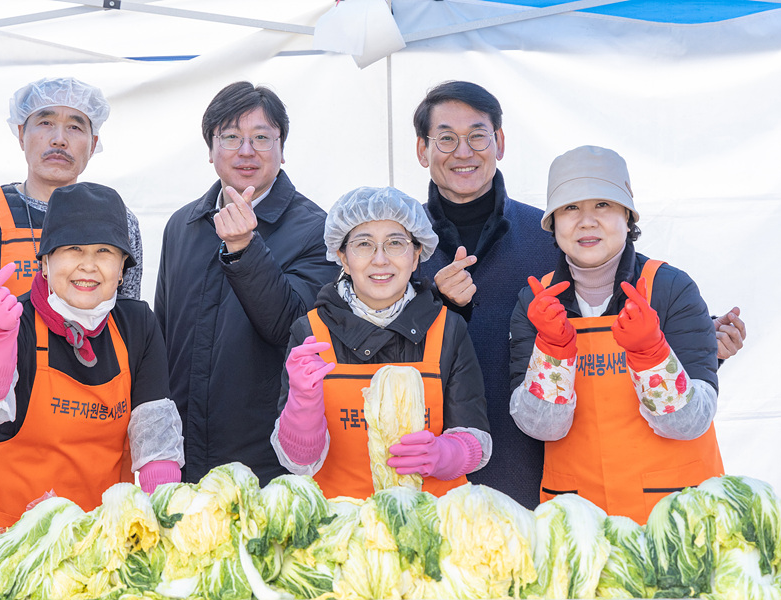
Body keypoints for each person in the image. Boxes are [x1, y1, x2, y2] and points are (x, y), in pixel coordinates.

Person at [413, 80, 744, 509]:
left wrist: (697, 342)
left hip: (541, 475)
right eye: (445, 138)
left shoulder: (547, 238)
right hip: (436, 464)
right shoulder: (398, 248)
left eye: (477, 135)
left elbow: (633, 309)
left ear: (499, 142)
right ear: (422, 150)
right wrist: (434, 306)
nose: (463, 151)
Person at [0, 76, 144, 495]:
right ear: (21, 133)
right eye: (44, 123)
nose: (60, 138)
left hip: (96, 425)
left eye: (76, 126)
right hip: (3, 415)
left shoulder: (119, 220)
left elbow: (128, 330)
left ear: (93, 144)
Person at [0, 182, 184, 550]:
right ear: (45, 261)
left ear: (123, 268)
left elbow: (156, 444)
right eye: (73, 249)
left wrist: (169, 527)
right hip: (2, 543)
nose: (88, 265)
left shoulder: (137, 325)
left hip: (96, 545)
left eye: (105, 251)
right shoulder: (15, 319)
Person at [508, 146, 724, 524]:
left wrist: (651, 353)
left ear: (628, 216)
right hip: (579, 526)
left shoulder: (672, 289)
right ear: (553, 222)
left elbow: (691, 423)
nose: (587, 221)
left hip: (673, 519)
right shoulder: (535, 301)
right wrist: (553, 352)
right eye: (570, 208)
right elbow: (543, 428)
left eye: (603, 205)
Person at [154, 81, 338, 486]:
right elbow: (164, 336)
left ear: (282, 148)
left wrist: (244, 248)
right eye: (231, 137)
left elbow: (289, 325)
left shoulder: (317, 230)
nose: (246, 150)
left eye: (261, 138)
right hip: (182, 458)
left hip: (270, 464)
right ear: (210, 149)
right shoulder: (182, 226)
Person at [271, 186, 491, 499]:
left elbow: (476, 438)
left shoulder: (448, 329)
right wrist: (302, 403)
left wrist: (446, 454)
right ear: (343, 258)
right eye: (363, 245)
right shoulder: (309, 334)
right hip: (341, 531)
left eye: (395, 244)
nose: (380, 259)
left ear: (416, 256)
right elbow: (298, 462)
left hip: (430, 528)